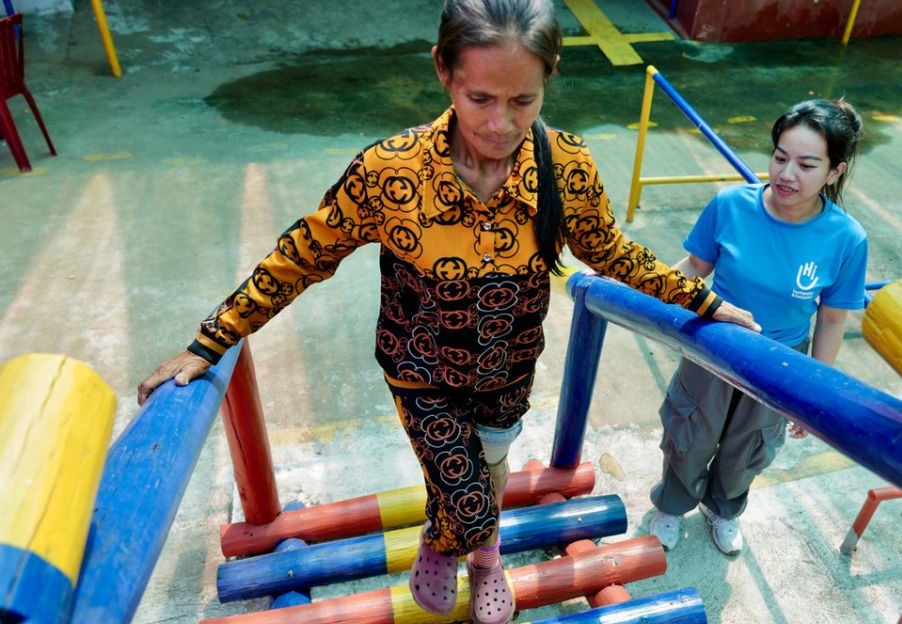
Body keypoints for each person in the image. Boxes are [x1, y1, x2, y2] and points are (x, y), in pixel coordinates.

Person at [136, 1, 756, 622]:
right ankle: (472, 548)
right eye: (481, 98)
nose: (500, 123)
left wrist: (702, 300)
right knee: (469, 497)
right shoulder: (391, 174)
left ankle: (463, 541)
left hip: (509, 373)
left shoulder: (564, 168)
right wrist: (212, 339)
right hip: (421, 372)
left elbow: (610, 251)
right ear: (444, 72)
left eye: (523, 102)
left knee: (488, 464)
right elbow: (301, 255)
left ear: (548, 79)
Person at [647, 98, 867, 556]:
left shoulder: (847, 239)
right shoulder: (731, 205)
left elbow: (831, 317)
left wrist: (812, 389)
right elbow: (694, 265)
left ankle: (723, 510)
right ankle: (671, 504)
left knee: (751, 444)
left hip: (779, 360)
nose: (787, 174)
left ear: (835, 172)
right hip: (712, 344)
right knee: (691, 430)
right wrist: (644, 293)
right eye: (780, 157)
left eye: (807, 165)